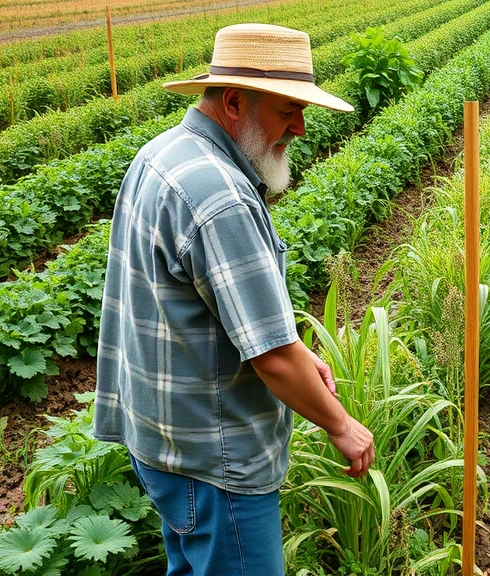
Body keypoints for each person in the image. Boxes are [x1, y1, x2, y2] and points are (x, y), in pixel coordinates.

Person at [93, 23, 374, 576]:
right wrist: (341, 425)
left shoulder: (161, 154)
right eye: (287, 109)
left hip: (162, 440)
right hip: (215, 463)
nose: (298, 125)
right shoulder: (219, 195)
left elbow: (203, 302)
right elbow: (270, 359)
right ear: (235, 101)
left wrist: (287, 340)